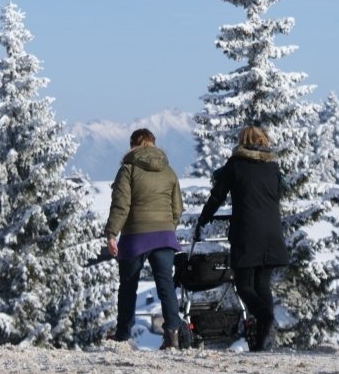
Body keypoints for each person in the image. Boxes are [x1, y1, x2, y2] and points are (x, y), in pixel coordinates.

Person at [195, 125, 289, 351]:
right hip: (272, 232)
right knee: (262, 285)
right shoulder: (273, 167)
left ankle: (265, 319)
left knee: (243, 285)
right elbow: (277, 195)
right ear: (264, 141)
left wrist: (204, 218)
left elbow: (217, 195)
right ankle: (262, 341)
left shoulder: (235, 165)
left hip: (247, 232)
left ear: (241, 141)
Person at [105, 128, 184, 349]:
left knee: (128, 285)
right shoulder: (169, 171)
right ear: (153, 143)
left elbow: (121, 205)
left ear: (133, 145)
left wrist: (111, 233)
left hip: (135, 236)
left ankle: (123, 335)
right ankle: (172, 333)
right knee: (166, 284)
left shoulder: (128, 169)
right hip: (164, 236)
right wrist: (169, 227)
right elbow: (177, 208)